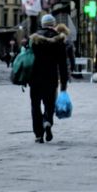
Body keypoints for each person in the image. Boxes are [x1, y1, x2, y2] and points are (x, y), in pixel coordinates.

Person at [29, 13, 69, 143]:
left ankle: (38, 135)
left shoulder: (34, 39)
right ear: (53, 24)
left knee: (35, 105)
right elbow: (63, 64)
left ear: (42, 24)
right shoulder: (59, 40)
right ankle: (47, 121)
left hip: (35, 77)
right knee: (49, 104)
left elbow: (27, 59)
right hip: (51, 77)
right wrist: (63, 84)